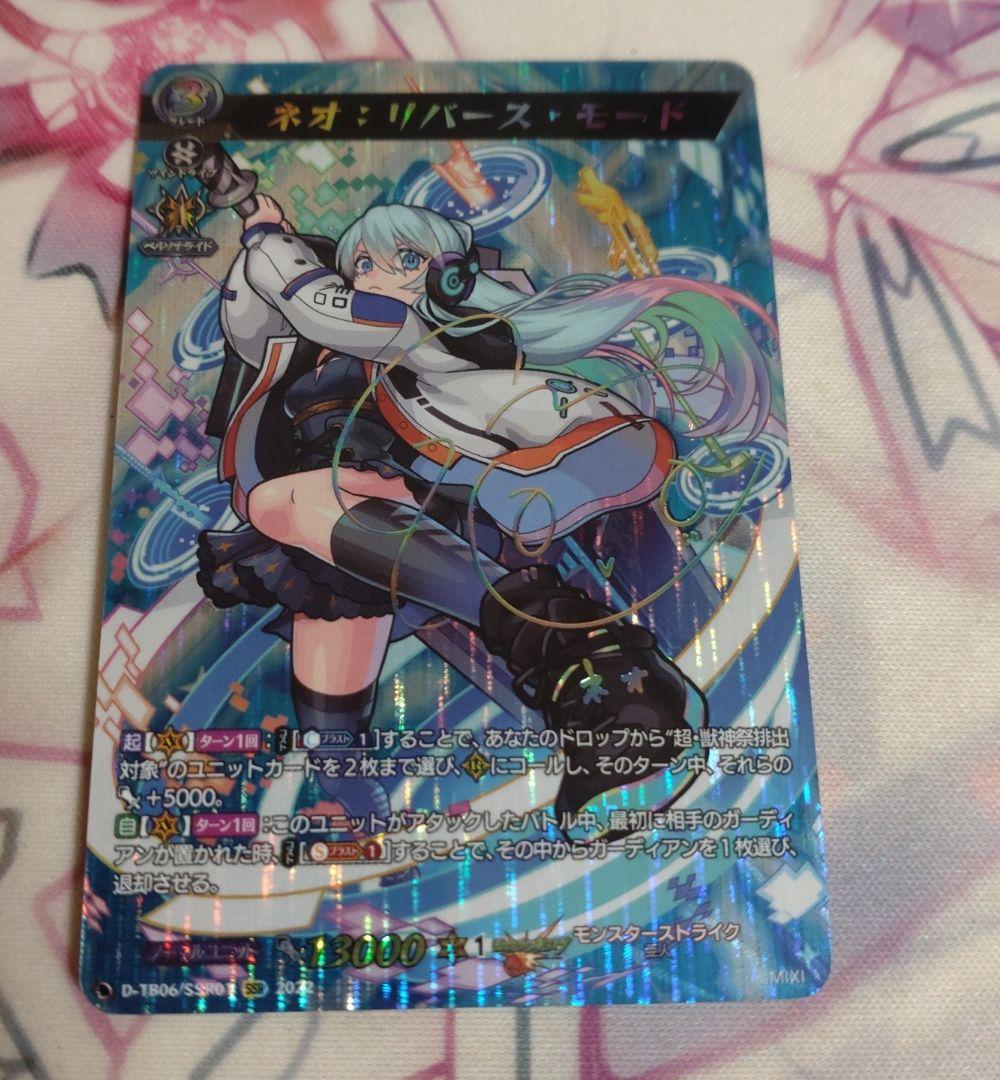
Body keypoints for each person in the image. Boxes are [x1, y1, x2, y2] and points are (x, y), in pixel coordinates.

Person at [198, 193, 772, 831]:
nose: (390, 274)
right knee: (332, 734)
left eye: (414, 260)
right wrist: (268, 238)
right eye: (375, 261)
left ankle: (601, 674)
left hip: (427, 492)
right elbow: (255, 315)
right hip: (341, 526)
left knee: (283, 504)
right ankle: (597, 687)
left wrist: (266, 234)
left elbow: (312, 301)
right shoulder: (306, 344)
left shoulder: (410, 326)